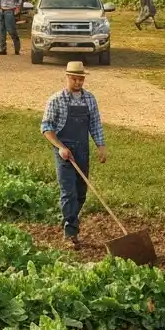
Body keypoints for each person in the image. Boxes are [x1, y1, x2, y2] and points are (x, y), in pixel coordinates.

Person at [41, 61, 109, 247]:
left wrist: (101, 146)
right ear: (67, 77)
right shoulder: (56, 100)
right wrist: (60, 147)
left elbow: (94, 124)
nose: (78, 82)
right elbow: (46, 127)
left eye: (81, 79)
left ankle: (69, 218)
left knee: (80, 193)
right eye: (74, 79)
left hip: (82, 150)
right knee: (68, 191)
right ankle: (70, 233)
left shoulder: (89, 99)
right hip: (64, 151)